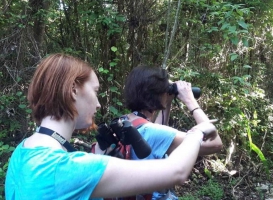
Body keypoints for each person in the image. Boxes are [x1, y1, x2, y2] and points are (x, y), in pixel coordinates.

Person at [5, 53, 218, 200]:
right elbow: (177, 171)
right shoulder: (66, 167)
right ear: (73, 90)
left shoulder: (22, 152)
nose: (98, 104)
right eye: (95, 91)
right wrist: (196, 132)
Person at [121, 65, 223, 200]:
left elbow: (155, 141)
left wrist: (166, 105)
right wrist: (190, 101)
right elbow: (215, 143)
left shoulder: (125, 123)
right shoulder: (152, 132)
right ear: (158, 93)